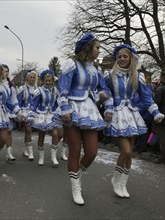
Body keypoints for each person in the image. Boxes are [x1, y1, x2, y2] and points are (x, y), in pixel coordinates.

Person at [57, 32, 113, 205]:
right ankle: (76, 187)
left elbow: (103, 90)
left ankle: (77, 175)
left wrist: (106, 101)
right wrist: (65, 108)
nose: (99, 50)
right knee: (74, 150)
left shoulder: (96, 69)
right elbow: (63, 88)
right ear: (88, 48)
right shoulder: (71, 64)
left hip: (90, 110)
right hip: (73, 109)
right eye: (97, 47)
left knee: (91, 152)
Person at [103, 44, 164, 198]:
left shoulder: (138, 76)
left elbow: (146, 97)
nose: (122, 59)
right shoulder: (110, 75)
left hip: (132, 115)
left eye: (125, 56)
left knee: (130, 154)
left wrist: (155, 112)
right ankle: (116, 180)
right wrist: (107, 106)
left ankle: (123, 184)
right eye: (120, 57)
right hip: (117, 114)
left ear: (131, 58)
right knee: (127, 151)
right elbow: (105, 92)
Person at [30, 69, 63, 167]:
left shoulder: (56, 90)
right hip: (41, 115)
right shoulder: (39, 91)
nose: (48, 83)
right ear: (43, 81)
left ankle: (53, 157)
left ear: (52, 80)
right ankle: (41, 157)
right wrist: (31, 115)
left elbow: (58, 103)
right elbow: (34, 104)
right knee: (41, 135)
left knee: (55, 134)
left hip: (52, 115)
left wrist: (61, 112)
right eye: (46, 81)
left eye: (50, 81)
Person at [0, 64, 17, 161]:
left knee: (9, 132)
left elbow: (13, 99)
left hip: (8, 110)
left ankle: (9, 152)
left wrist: (16, 109)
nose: (6, 73)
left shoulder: (11, 84)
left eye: (7, 71)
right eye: (3, 71)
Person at [17, 69, 38, 161]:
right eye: (30, 77)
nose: (32, 79)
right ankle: (30, 152)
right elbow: (18, 102)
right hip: (25, 112)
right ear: (27, 78)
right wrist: (19, 113)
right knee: (28, 130)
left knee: (28, 131)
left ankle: (25, 148)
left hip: (35, 112)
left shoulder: (37, 89)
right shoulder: (23, 88)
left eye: (34, 78)